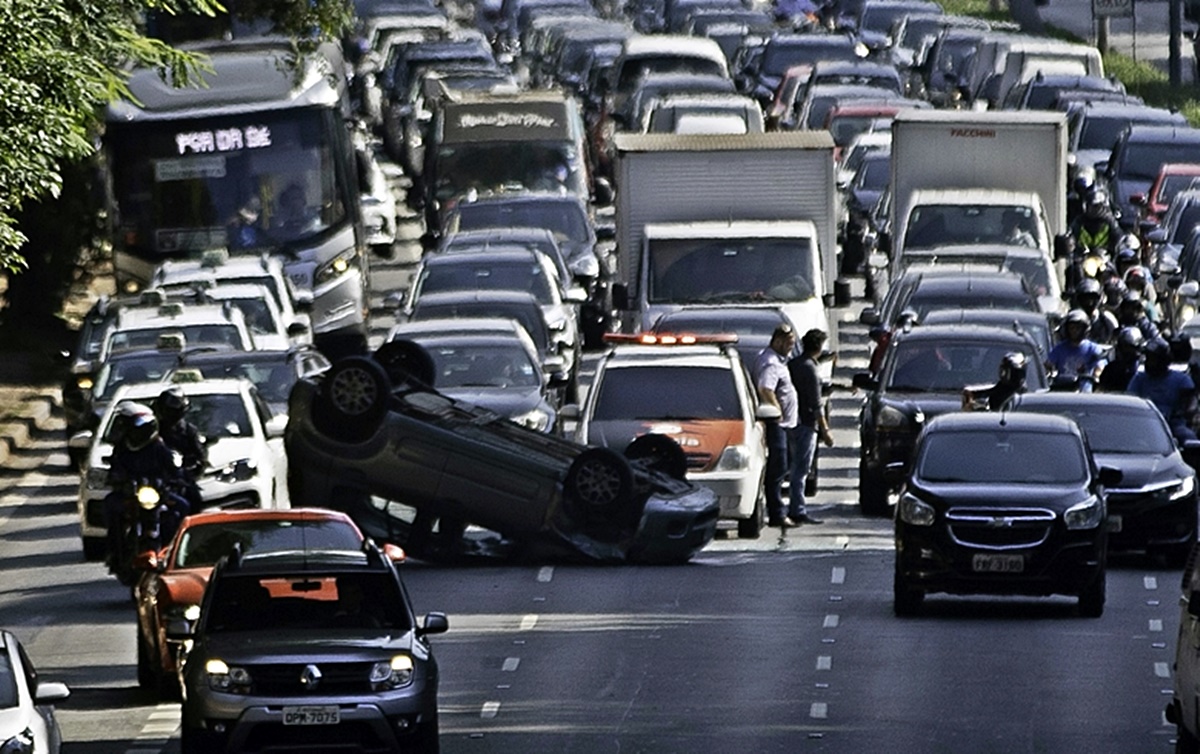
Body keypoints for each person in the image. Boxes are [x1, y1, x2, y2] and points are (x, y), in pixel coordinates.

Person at [102, 404, 189, 569]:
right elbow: (115, 469)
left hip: (156, 492)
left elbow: (173, 470)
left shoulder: (158, 446)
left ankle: (175, 551)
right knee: (110, 506)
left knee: (183, 506)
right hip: (130, 494)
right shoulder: (122, 448)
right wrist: (118, 480)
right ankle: (113, 551)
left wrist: (175, 480)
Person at [786, 329, 833, 526]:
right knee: (801, 470)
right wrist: (825, 430)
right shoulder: (811, 369)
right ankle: (798, 509)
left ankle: (793, 507)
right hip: (806, 424)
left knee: (792, 467)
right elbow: (816, 403)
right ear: (819, 347)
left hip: (790, 421)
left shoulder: (794, 364)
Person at [754, 324, 798, 528]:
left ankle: (777, 511)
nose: (791, 347)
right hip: (776, 424)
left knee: (782, 467)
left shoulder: (778, 360)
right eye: (788, 344)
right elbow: (765, 389)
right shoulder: (771, 363)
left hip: (785, 424)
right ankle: (777, 513)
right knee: (778, 469)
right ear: (778, 341)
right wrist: (777, 410)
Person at [1128, 337, 1199, 441]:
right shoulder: (1139, 379)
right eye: (1148, 358)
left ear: (1163, 360)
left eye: (1153, 359)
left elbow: (1190, 404)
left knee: (1189, 438)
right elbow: (1131, 400)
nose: (1149, 362)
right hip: (1143, 424)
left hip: (1172, 425)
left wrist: (1185, 411)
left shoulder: (1181, 380)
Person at [152, 387, 206, 509]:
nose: (170, 414)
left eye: (174, 411)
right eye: (168, 410)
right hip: (153, 479)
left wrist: (193, 467)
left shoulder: (188, 431)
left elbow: (200, 457)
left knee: (195, 499)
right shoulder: (152, 430)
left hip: (179, 479)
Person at [1046, 309, 1106, 392]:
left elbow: (1100, 366)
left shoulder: (1093, 348)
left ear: (1085, 329)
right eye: (1071, 328)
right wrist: (1049, 371)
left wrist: (1096, 375)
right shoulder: (1059, 348)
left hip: (1085, 393)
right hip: (1063, 391)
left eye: (1078, 328)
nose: (1074, 331)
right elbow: (1048, 365)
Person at [962, 352, 1028, 410]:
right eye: (1002, 371)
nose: (1002, 374)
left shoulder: (1018, 397)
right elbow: (992, 391)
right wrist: (973, 394)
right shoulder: (1003, 387)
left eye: (1005, 372)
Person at [1070, 188, 1122, 255]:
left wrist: (1110, 251)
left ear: (1103, 206)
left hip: (1102, 258)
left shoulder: (1110, 221)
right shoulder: (1080, 220)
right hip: (1082, 256)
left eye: (1096, 207)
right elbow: (1071, 235)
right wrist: (1073, 246)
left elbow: (1118, 238)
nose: (1092, 209)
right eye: (1089, 205)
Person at [1071, 277, 1118, 345]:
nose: (1089, 303)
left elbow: (1116, 339)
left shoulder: (1106, 319)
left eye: (1093, 298)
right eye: (1085, 298)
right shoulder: (1072, 319)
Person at [1097, 326, 1144, 393]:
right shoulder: (1111, 368)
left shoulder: (1143, 370)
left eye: (1130, 348)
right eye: (1124, 347)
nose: (1127, 351)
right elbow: (1102, 389)